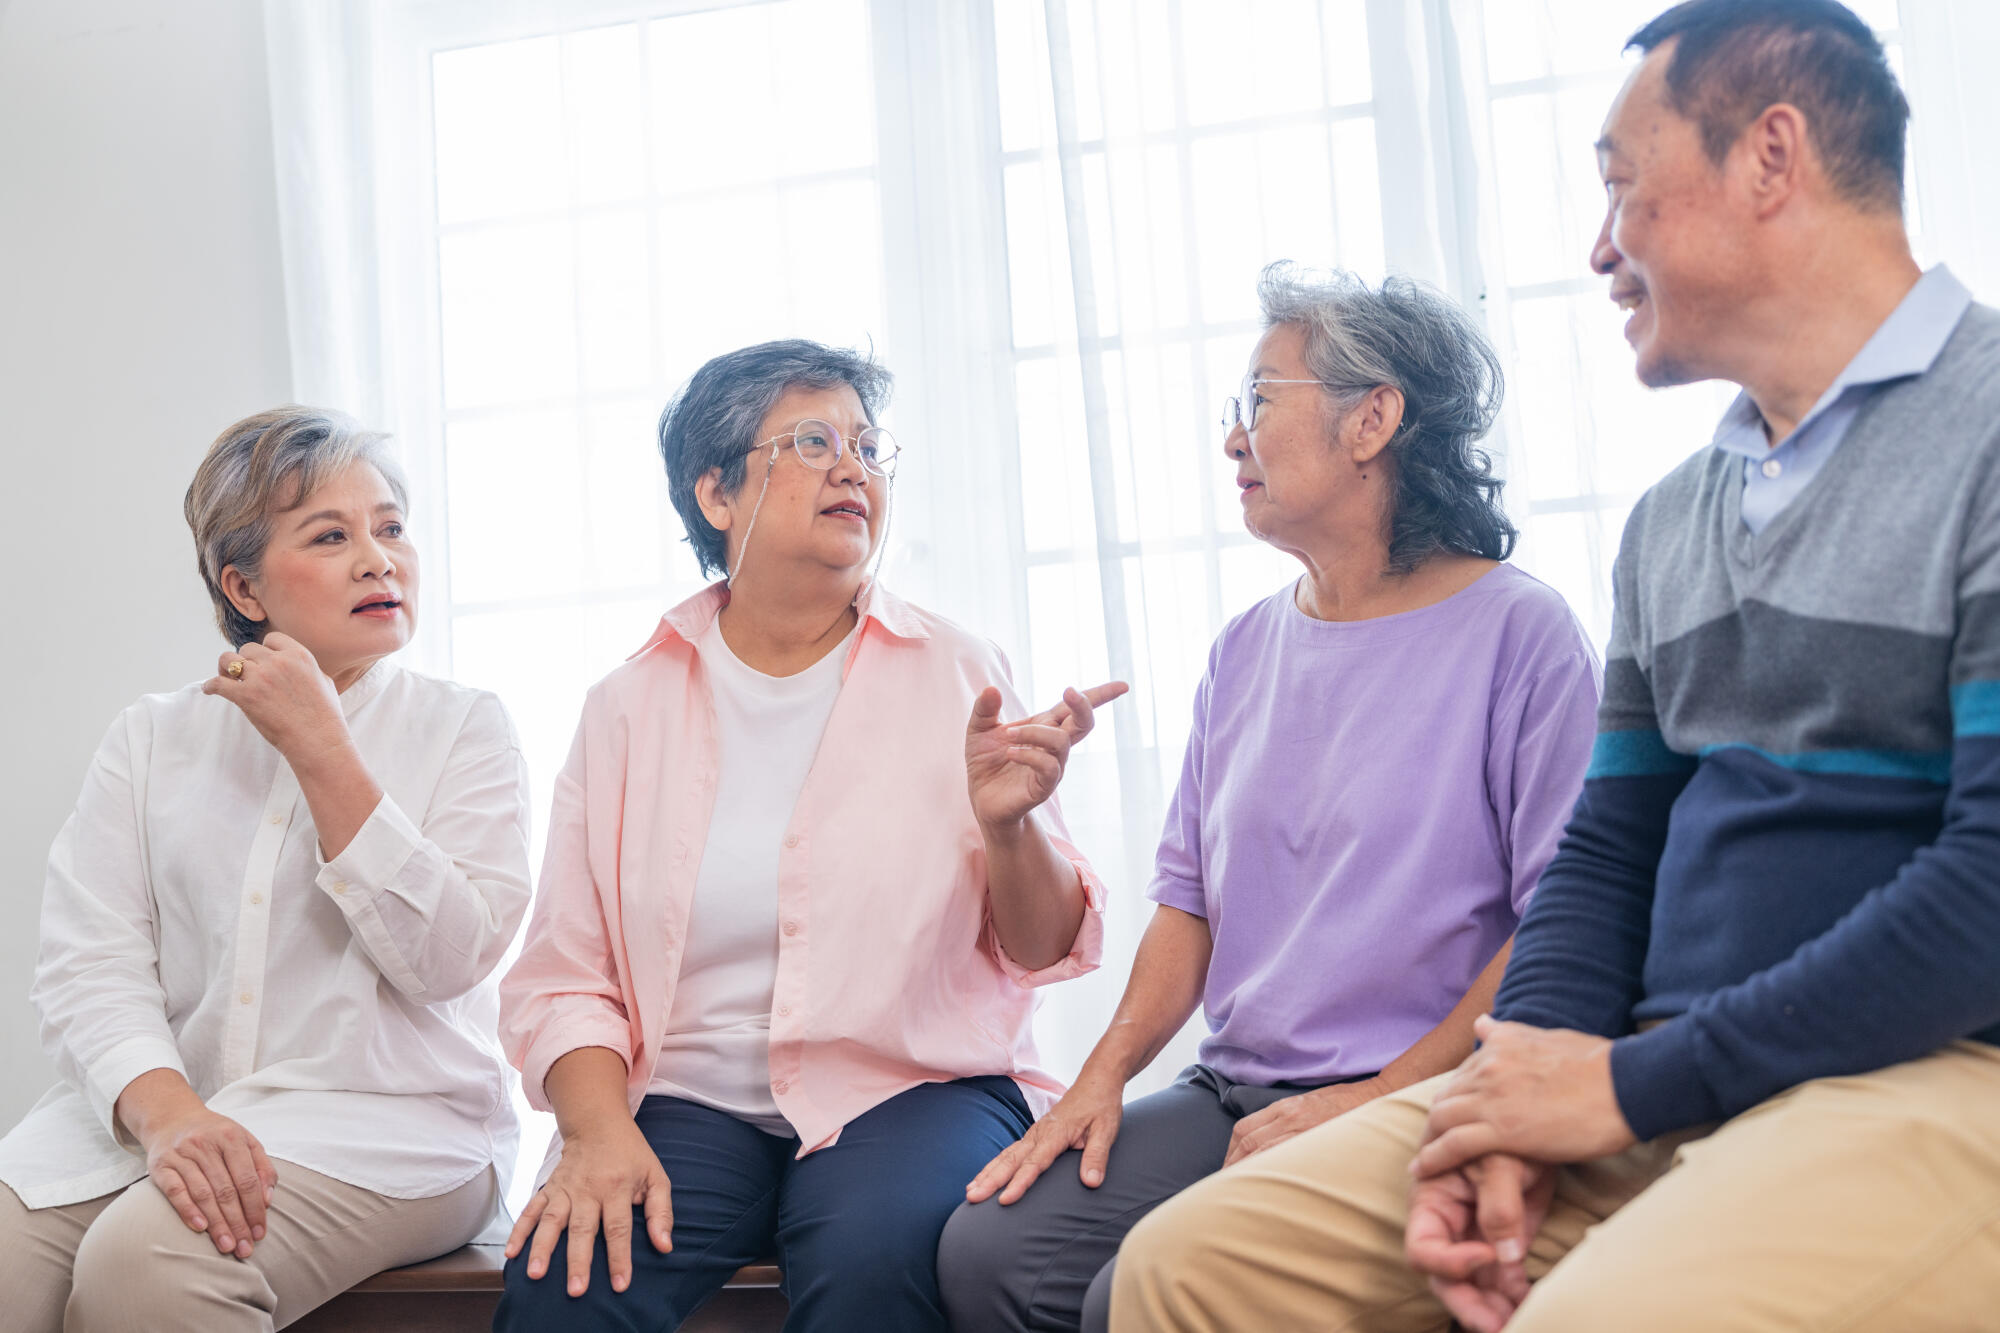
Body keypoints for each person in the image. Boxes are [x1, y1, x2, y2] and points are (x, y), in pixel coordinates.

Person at [1110, 4, 2000, 1330]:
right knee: (1189, 1268)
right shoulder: (1672, 520)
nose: (1600, 248)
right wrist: (1509, 1112)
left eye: (1621, 189)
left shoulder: (1983, 433)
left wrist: (1631, 1088)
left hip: (1927, 1068)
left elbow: (1990, 888)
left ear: (1772, 157)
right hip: (1657, 1068)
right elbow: (1604, 853)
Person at [938, 265, 1601, 1333]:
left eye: (1258, 400)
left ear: (1371, 419)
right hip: (1235, 1091)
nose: (1232, 438)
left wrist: (1369, 1100)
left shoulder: (1521, 636)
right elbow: (1187, 906)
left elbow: (1556, 930)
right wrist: (1093, 1082)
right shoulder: (1244, 648)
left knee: (1129, 1292)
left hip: (1419, 1090)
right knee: (991, 1253)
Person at [491, 339, 1117, 1332]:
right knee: (564, 1285)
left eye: (869, 447)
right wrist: (598, 1131)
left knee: (873, 1263)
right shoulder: (625, 706)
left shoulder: (958, 668)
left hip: (914, 1085)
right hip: (692, 1100)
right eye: (814, 440)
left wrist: (1009, 829)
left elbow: (1042, 948)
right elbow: (565, 975)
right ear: (715, 493)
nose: (853, 467)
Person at [0, 407, 533, 1333]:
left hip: (394, 1124)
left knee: (148, 1267)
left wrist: (323, 747)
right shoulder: (152, 737)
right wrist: (167, 1114)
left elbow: (453, 958)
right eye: (332, 535)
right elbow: (89, 964)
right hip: (169, 1107)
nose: (379, 558)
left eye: (392, 527)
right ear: (242, 585)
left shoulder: (465, 727)